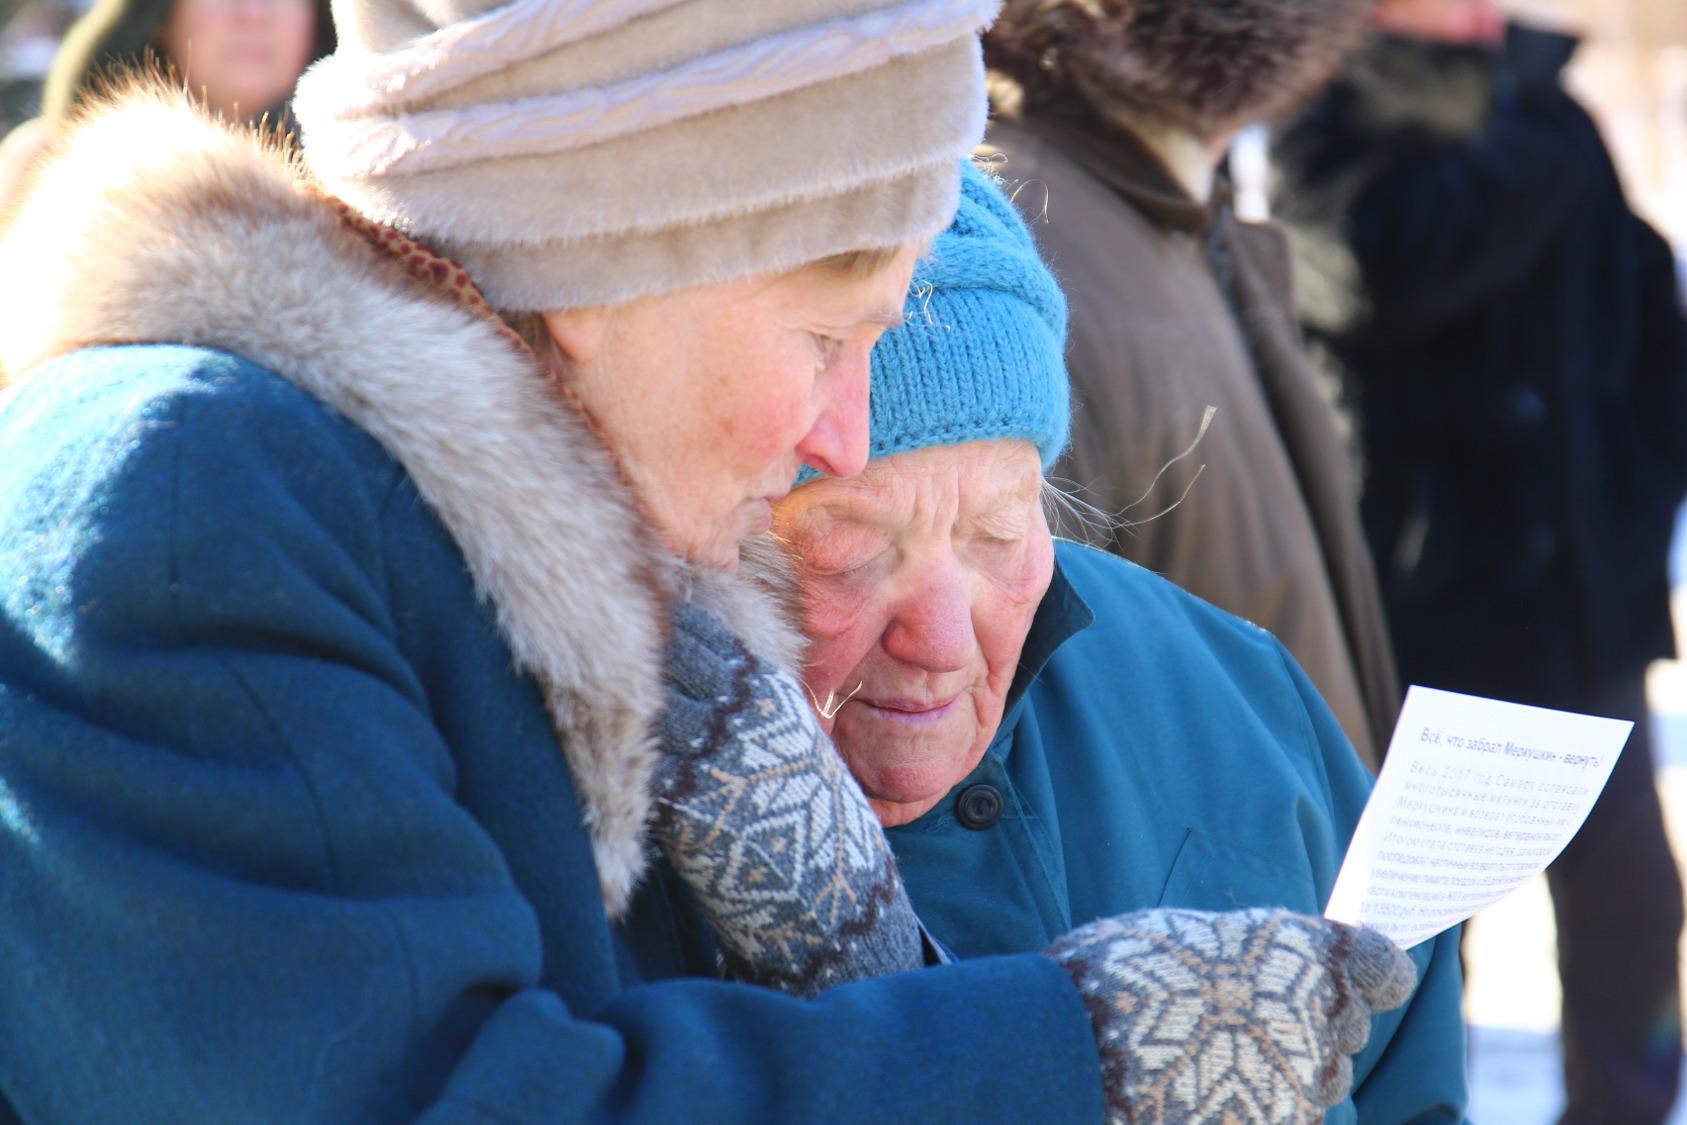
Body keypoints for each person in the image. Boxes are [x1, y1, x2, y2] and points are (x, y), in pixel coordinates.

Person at [0, 1, 1416, 1120]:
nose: (836, 428)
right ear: (613, 261)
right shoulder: (190, 506)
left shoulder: (482, 548)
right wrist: (1071, 1049)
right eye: (824, 337)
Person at [772, 160, 1470, 1123]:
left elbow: (1408, 1083)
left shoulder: (1232, 693)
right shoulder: (591, 773)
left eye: (997, 533)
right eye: (847, 548)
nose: (939, 641)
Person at [1271, 0, 1687, 1119]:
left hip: (1580, 617)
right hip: (1423, 623)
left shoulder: (1548, 113)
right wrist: (1525, 151)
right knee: (1407, 946)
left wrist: (1637, 498)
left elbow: (1653, 323)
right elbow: (1361, 271)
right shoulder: (1324, 110)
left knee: (1633, 923)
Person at [974, 0, 1401, 772]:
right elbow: (1011, 765)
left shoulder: (1155, 205)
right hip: (1218, 879)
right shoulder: (1020, 235)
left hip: (1286, 865)